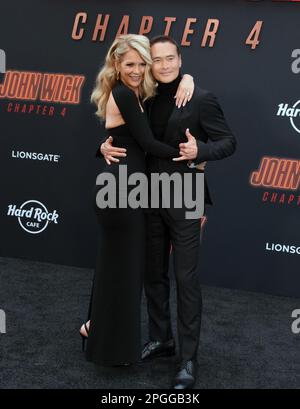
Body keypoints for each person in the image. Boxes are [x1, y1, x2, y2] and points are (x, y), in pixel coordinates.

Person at [100, 35, 237, 387]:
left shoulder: (200, 97)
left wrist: (200, 151)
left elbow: (229, 142)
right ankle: (161, 339)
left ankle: (188, 359)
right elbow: (126, 132)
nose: (162, 66)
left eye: (169, 59)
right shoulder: (143, 94)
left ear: (180, 59)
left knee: (185, 280)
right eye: (155, 59)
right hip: (147, 193)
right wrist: (102, 147)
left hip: (186, 194)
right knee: (154, 274)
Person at [79, 34, 194, 367]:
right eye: (130, 64)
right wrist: (188, 154)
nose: (137, 69)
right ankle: (103, 339)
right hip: (120, 192)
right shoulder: (123, 94)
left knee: (119, 267)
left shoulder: (135, 93)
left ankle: (95, 328)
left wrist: (188, 77)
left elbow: (127, 135)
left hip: (128, 189)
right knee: (123, 269)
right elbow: (147, 142)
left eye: (142, 63)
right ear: (117, 64)